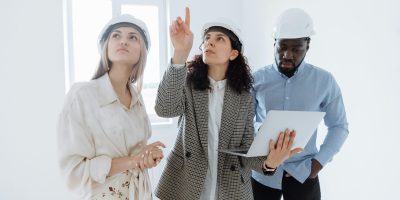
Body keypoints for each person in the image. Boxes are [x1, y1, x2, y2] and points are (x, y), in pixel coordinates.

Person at [154, 8, 302, 200]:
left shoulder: (244, 96)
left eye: (219, 39)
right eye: (207, 38)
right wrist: (180, 53)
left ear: (233, 53)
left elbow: (245, 148)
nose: (209, 42)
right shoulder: (188, 82)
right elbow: (164, 109)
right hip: (186, 184)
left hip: (229, 187)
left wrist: (269, 163)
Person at [57, 14, 165, 200]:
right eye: (116, 35)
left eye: (133, 37)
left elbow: (130, 153)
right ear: (106, 46)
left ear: (142, 51)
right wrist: (133, 160)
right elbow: (74, 171)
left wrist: (146, 154)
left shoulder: (137, 100)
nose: (123, 41)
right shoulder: (82, 96)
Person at [251, 8, 349, 200]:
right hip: (262, 175)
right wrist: (261, 128)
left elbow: (339, 127)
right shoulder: (256, 80)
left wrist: (317, 164)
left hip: (303, 175)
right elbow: (243, 124)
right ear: (274, 44)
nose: (287, 54)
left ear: (307, 46)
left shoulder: (325, 81)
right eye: (282, 47)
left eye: (296, 49)